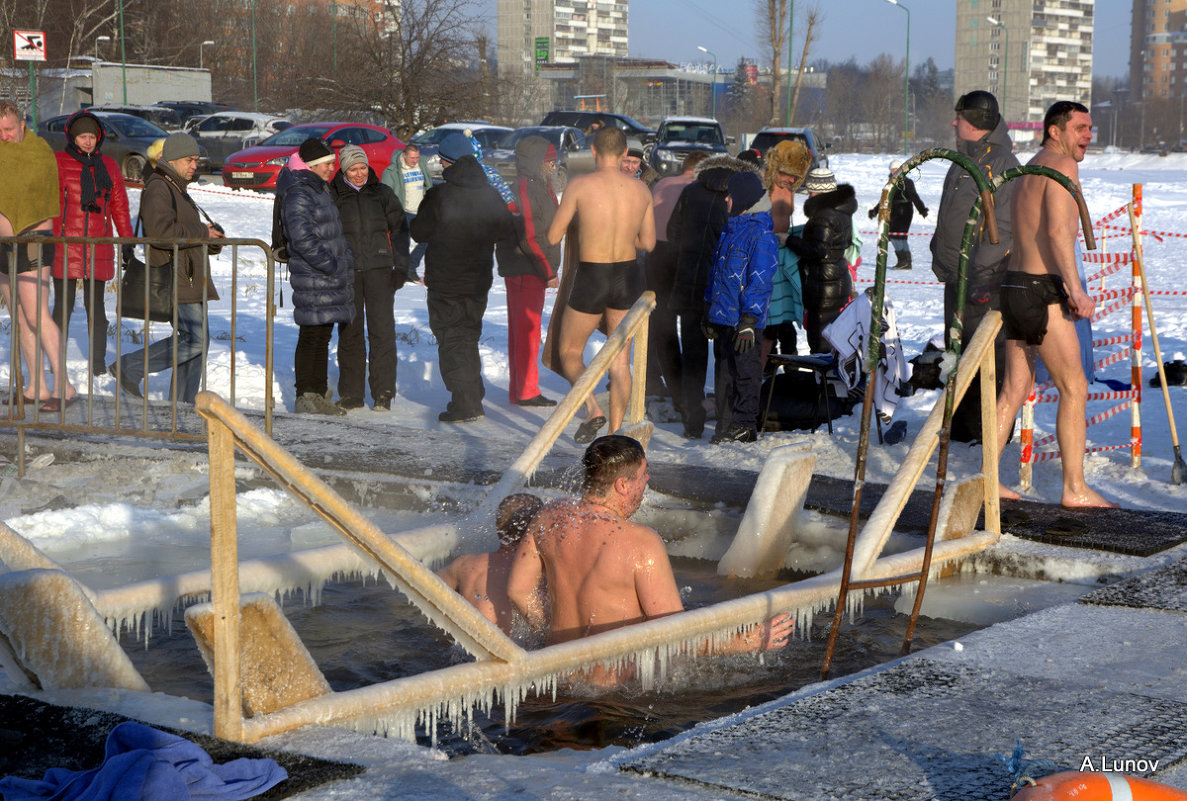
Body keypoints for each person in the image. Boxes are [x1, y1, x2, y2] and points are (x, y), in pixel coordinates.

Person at [506, 435, 793, 686]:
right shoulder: (640, 542)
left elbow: (517, 590)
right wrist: (746, 641)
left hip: (555, 678)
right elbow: (674, 633)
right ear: (622, 485)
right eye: (643, 474)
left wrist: (556, 633)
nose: (647, 480)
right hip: (611, 692)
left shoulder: (550, 516)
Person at [993, 101, 1115, 509]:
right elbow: (1061, 232)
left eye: (1090, 128)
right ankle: (1074, 489)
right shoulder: (1062, 168)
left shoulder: (1030, 167)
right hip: (1040, 289)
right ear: (1055, 130)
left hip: (1012, 283)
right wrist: (1075, 289)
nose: (1087, 135)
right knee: (1074, 385)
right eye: (1080, 127)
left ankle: (986, 479)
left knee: (1015, 389)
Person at [546, 126, 656, 444]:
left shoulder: (580, 185)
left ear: (593, 151)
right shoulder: (641, 191)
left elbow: (553, 236)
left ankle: (593, 408)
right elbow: (647, 242)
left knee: (568, 351)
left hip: (592, 274)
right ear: (625, 154)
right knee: (619, 360)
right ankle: (614, 434)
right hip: (627, 274)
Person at [930, 89, 1019, 442]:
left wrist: (980, 276)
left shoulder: (1003, 164)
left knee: (986, 357)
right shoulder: (963, 159)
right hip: (957, 279)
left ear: (977, 123)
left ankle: (988, 430)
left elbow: (1005, 228)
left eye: (961, 118)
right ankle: (963, 426)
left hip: (982, 281)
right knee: (958, 353)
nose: (954, 123)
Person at [109, 132, 222, 405]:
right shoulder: (160, 186)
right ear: (172, 159)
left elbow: (187, 232)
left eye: (196, 159)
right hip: (176, 277)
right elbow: (161, 232)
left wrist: (212, 238)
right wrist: (200, 231)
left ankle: (182, 406)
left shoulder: (176, 185)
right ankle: (130, 367)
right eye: (189, 160)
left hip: (190, 276)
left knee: (196, 342)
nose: (195, 165)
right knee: (195, 340)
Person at [411, 132, 515, 423]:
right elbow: (507, 230)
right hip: (479, 280)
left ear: (448, 162)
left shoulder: (440, 196)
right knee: (467, 335)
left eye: (442, 162)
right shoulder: (490, 194)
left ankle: (465, 402)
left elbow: (419, 232)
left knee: (451, 338)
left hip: (446, 280)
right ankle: (472, 390)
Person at [667, 152, 759, 439]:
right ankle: (724, 421)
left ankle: (693, 420)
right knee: (724, 356)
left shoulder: (690, 191)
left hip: (689, 281)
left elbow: (672, 233)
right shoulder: (735, 198)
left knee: (693, 352)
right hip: (722, 287)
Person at [0, 100, 74, 410]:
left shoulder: (38, 151)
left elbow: (34, 192)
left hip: (32, 238)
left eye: (8, 129)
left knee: (36, 314)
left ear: (21, 125)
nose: (4, 136)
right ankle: (37, 386)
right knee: (19, 316)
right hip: (3, 246)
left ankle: (64, 385)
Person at [51, 110, 133, 379]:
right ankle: (55, 359)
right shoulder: (59, 162)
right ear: (73, 137)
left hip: (99, 245)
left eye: (91, 137)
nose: (87, 142)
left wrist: (128, 241)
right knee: (62, 307)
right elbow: (48, 203)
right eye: (82, 137)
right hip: (65, 244)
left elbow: (119, 205)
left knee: (96, 308)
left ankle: (97, 363)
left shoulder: (108, 165)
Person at [329, 144, 408, 411]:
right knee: (350, 333)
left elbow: (399, 230)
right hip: (347, 273)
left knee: (382, 332)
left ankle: (383, 391)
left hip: (379, 271)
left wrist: (401, 266)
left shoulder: (383, 194)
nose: (360, 173)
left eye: (363, 167)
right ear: (344, 170)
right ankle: (352, 394)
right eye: (353, 169)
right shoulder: (333, 195)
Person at [282, 137, 355, 416]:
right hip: (315, 277)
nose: (331, 169)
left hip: (328, 277)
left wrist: (345, 258)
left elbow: (333, 231)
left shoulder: (318, 189)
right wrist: (330, 263)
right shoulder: (300, 192)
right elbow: (301, 237)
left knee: (322, 335)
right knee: (311, 336)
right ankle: (305, 396)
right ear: (312, 165)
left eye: (332, 164)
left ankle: (318, 393)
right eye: (327, 164)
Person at [704, 172, 778, 444]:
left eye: (731, 194)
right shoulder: (730, 228)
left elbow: (761, 280)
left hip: (745, 322)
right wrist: (708, 309)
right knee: (724, 372)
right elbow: (717, 273)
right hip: (724, 316)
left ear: (744, 199)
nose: (726, 198)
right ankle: (725, 425)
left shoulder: (760, 235)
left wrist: (749, 319)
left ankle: (744, 424)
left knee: (745, 373)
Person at [495, 135, 560, 408]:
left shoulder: (538, 186)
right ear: (535, 163)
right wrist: (548, 271)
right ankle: (526, 390)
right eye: (549, 162)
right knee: (526, 332)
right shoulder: (525, 188)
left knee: (525, 332)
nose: (554, 166)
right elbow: (530, 235)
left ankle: (521, 388)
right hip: (527, 269)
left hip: (530, 268)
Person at [645, 150, 710, 414]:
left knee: (664, 327)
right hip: (689, 257)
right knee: (693, 327)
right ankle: (693, 395)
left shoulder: (662, 184)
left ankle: (677, 392)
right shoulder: (701, 187)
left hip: (657, 256)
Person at [436, 493, 544, 636]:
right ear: (536, 531)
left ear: (498, 527)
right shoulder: (544, 573)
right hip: (520, 651)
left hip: (470, 648)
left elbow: (428, 589)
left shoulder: (466, 564)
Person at [786, 167, 857, 353]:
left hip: (824, 286)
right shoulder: (841, 210)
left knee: (820, 341)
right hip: (835, 280)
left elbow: (818, 250)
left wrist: (789, 240)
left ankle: (822, 379)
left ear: (818, 191)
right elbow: (841, 241)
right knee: (829, 336)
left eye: (810, 192)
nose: (808, 196)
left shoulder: (824, 216)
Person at [761, 140, 812, 370]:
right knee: (769, 323)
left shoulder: (789, 188)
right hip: (765, 258)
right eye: (786, 174)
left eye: (795, 176)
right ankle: (765, 374)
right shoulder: (763, 187)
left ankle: (790, 372)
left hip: (783, 259)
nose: (790, 180)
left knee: (787, 321)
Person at [380, 143, 431, 284]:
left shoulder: (422, 166)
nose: (415, 160)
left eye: (417, 157)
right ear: (404, 156)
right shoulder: (394, 171)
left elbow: (428, 184)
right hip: (404, 211)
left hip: (420, 211)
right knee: (403, 243)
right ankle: (402, 271)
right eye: (412, 158)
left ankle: (411, 267)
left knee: (426, 240)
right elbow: (385, 192)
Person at [869, 160, 928, 270]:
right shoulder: (890, 183)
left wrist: (922, 209)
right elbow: (884, 199)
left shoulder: (907, 182)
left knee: (899, 237)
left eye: (896, 169)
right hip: (894, 213)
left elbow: (914, 196)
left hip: (904, 212)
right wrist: (875, 211)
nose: (894, 171)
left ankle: (906, 261)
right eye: (892, 170)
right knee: (894, 236)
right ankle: (903, 261)